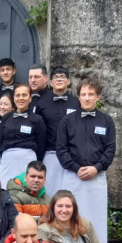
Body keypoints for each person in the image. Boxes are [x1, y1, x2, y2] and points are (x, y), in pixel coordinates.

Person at [56, 77, 115, 243]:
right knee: (70, 216)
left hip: (97, 178)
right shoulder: (67, 121)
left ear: (98, 97)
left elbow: (110, 149)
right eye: (84, 94)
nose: (87, 98)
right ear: (79, 97)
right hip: (73, 177)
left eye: (91, 94)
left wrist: (96, 168)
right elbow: (61, 148)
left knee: (96, 218)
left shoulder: (106, 121)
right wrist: (76, 168)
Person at [34, 66, 80, 196]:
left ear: (68, 81)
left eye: (62, 77)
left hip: (72, 155)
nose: (59, 79)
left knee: (71, 192)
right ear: (50, 82)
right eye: (55, 77)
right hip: (50, 154)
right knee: (50, 192)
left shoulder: (77, 103)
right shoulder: (41, 103)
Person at [0, 84, 46, 190]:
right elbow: (0, 139)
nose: (21, 98)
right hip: (7, 160)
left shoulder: (37, 119)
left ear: (30, 98)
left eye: (24, 95)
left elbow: (42, 145)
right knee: (5, 189)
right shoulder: (6, 117)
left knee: (26, 190)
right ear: (14, 98)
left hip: (27, 160)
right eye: (18, 95)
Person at [0, 92, 15, 166]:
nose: (2, 107)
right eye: (0, 104)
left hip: (8, 161)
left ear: (13, 107)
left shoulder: (14, 124)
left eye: (5, 104)